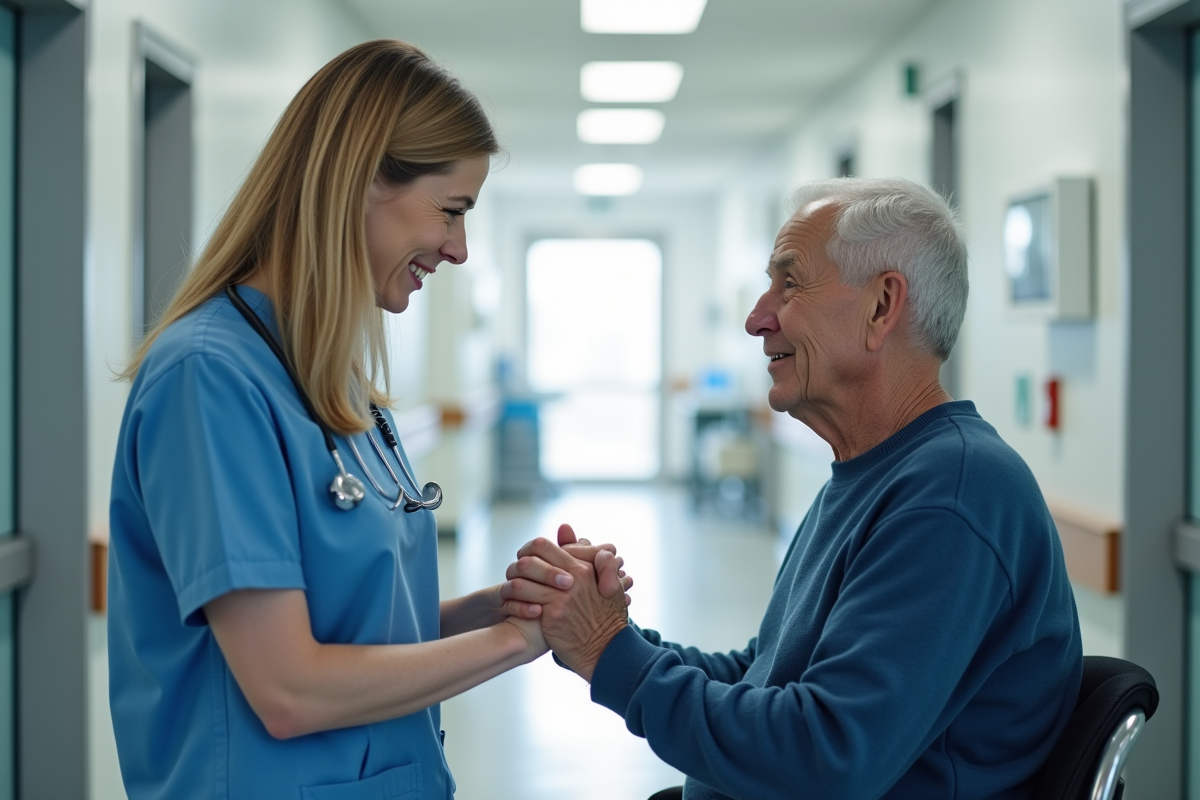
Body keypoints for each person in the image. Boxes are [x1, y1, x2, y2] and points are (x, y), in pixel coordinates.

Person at [107, 40, 628, 799]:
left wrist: (507, 605)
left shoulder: (325, 374)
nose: (459, 249)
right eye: (452, 211)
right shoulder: (210, 377)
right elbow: (290, 688)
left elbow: (358, 626)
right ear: (359, 179)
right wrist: (518, 640)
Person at [506, 177, 1083, 799]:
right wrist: (609, 632)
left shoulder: (953, 496)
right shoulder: (875, 472)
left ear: (881, 306)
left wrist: (608, 651)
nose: (757, 318)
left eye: (790, 283)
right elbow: (763, 674)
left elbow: (825, 759)